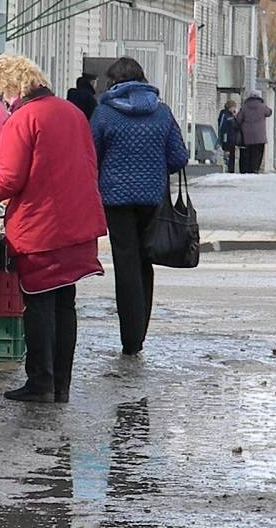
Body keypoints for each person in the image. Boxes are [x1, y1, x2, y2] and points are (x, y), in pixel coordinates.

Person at [0, 55, 107, 403]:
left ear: (12, 87)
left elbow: (9, 179)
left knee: (40, 305)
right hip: (79, 222)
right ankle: (61, 385)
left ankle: (41, 382)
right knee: (65, 303)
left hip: (42, 227)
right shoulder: (72, 112)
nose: (2, 100)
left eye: (1, 93)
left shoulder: (24, 118)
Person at [90, 57, 189, 356]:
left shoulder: (105, 113)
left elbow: (90, 154)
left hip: (116, 200)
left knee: (126, 264)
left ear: (114, 82)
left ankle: (129, 339)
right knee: (146, 262)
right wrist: (153, 168)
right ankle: (140, 335)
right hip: (153, 198)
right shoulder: (161, 112)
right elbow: (179, 157)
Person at [236, 89, 272, 174]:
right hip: (260, 136)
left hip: (246, 136)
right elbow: (269, 112)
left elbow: (238, 119)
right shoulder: (263, 107)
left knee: (247, 153)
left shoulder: (244, 107)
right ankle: (255, 169)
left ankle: (247, 170)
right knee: (258, 153)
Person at [217, 100, 239, 173]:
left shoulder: (232, 115)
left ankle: (231, 170)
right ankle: (228, 169)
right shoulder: (224, 114)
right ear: (230, 107)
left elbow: (236, 126)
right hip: (227, 139)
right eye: (234, 107)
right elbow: (222, 127)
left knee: (232, 156)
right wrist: (223, 139)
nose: (235, 109)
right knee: (227, 155)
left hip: (232, 139)